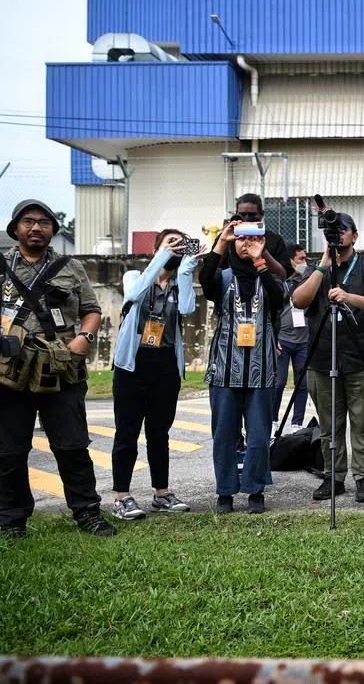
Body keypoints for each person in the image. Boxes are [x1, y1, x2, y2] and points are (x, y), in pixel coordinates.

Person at [0, 200, 115, 539]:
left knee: (72, 446)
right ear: (16, 228)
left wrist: (84, 339)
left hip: (61, 368)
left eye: (43, 222)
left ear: (53, 229)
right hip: (11, 372)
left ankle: (88, 513)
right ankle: (11, 520)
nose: (36, 228)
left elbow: (92, 311)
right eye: (28, 222)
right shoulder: (1, 265)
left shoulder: (71, 267)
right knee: (9, 451)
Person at [290, 213, 364, 503]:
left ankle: (363, 477)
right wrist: (323, 267)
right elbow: (299, 300)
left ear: (354, 236)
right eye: (333, 233)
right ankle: (333, 476)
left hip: (363, 358)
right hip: (323, 358)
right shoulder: (317, 269)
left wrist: (349, 297)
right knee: (329, 423)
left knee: (363, 421)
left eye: (343, 231)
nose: (338, 237)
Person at [110, 229, 199, 520]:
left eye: (179, 244)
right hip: (132, 365)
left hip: (165, 366)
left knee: (159, 435)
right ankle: (122, 496)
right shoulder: (135, 276)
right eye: (169, 243)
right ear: (156, 249)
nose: (174, 249)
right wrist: (164, 254)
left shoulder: (177, 283)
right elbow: (134, 295)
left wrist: (186, 267)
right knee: (127, 432)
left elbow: (187, 307)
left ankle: (162, 493)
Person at [200, 219, 285, 513]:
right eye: (241, 239)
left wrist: (260, 259)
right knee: (224, 435)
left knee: (260, 436)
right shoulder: (222, 277)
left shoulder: (268, 276)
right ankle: (225, 492)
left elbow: (280, 298)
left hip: (261, 371)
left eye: (252, 239)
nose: (246, 244)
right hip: (225, 370)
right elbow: (205, 279)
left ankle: (255, 490)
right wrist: (221, 242)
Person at [273, 244, 311, 434]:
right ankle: (273, 420)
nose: (304, 263)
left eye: (305, 259)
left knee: (302, 383)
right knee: (279, 382)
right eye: (301, 259)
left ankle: (297, 423)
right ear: (290, 261)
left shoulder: (308, 280)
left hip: (303, 340)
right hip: (283, 339)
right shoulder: (279, 282)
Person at [221, 193, 291, 279]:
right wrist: (223, 241)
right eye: (242, 215)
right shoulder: (229, 237)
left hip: (265, 287)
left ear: (261, 215)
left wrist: (262, 251)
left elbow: (283, 275)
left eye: (252, 215)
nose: (246, 218)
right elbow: (213, 269)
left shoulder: (274, 239)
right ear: (236, 214)